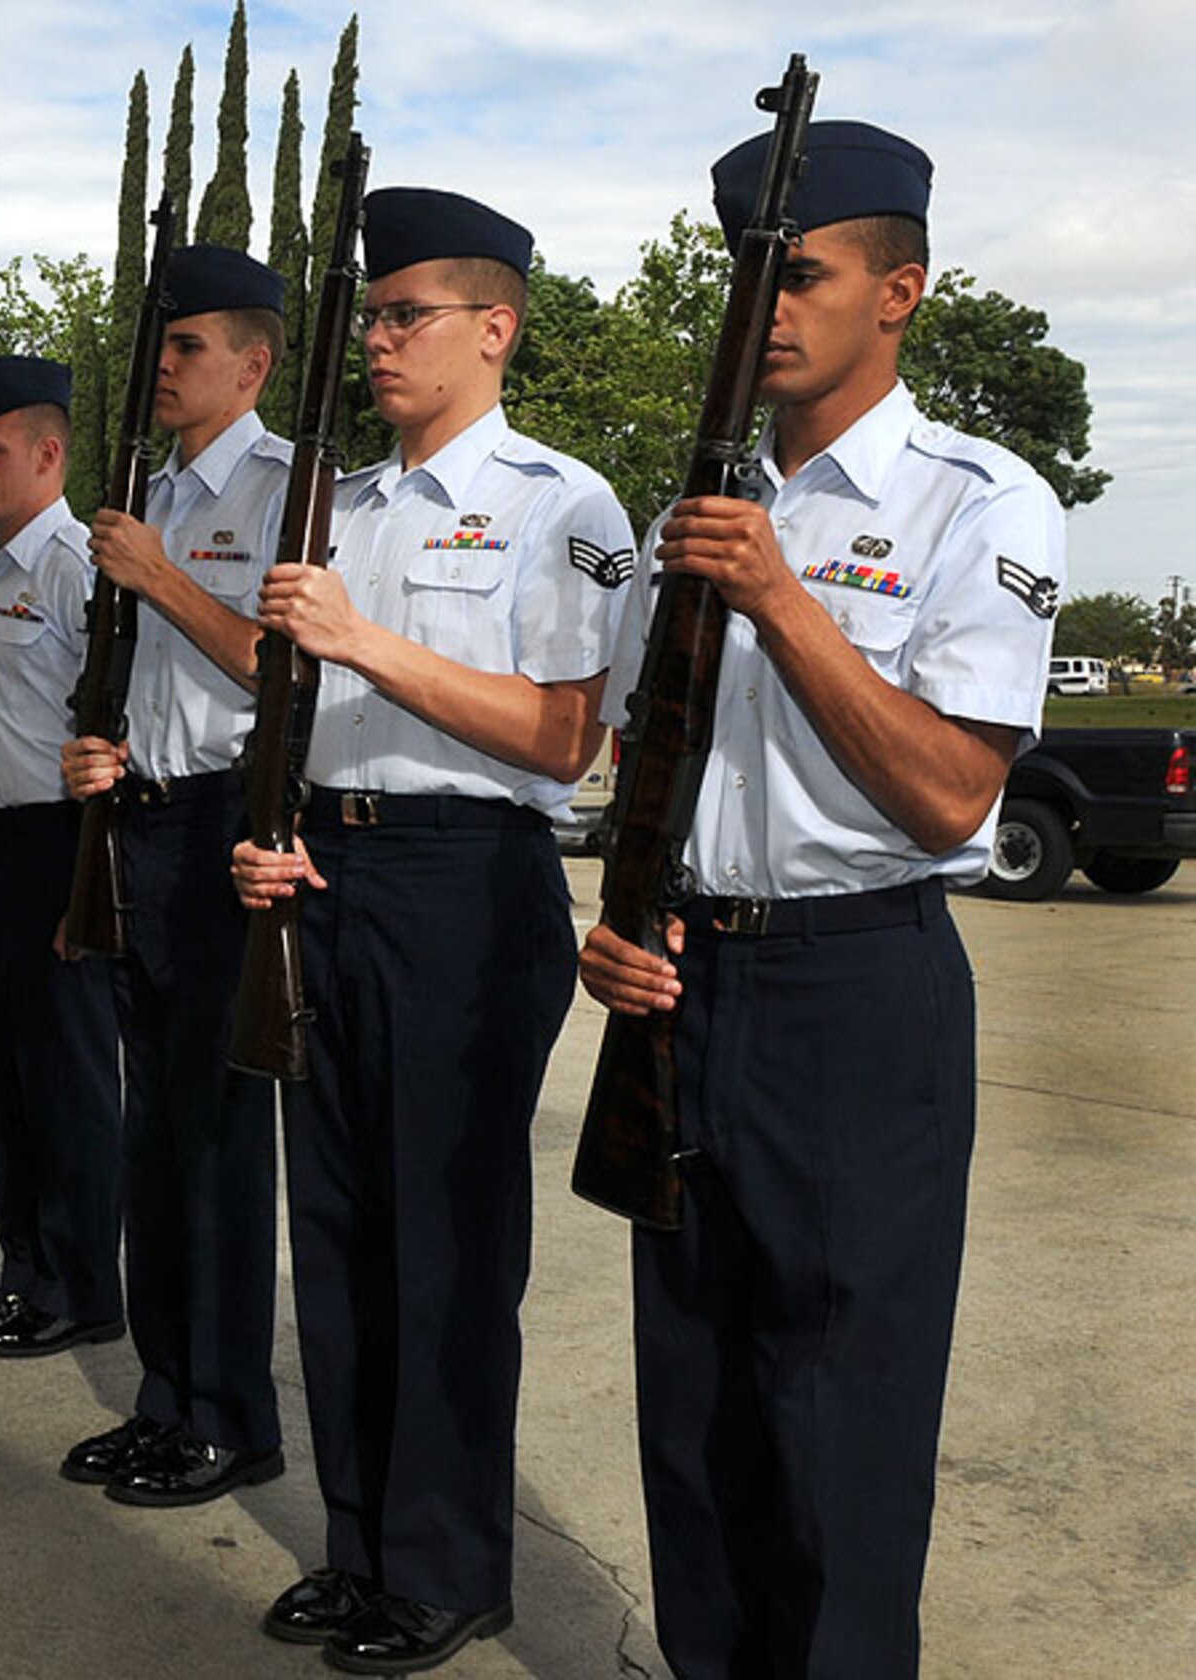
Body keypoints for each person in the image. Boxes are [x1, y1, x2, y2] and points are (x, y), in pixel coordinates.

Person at [577, 124, 1064, 1679]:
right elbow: (664, 770)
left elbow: (948, 793)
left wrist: (783, 596)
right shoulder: (700, 504)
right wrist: (625, 920)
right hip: (687, 989)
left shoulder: (977, 504)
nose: (762, 310)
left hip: (858, 997)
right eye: (744, 282)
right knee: (697, 1413)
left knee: (837, 1434)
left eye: (801, 275)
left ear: (900, 290)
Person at [231, 187, 634, 1673]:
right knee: (336, 1241)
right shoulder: (342, 499)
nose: (382, 341)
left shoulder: (560, 504)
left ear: (494, 327)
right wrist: (267, 835)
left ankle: (451, 1566)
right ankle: (362, 1549)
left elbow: (564, 740)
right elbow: (300, 715)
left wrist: (360, 640)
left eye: (408, 315)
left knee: (448, 1250)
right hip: (325, 880)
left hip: (467, 890)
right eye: (376, 315)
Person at [57, 245, 291, 1505]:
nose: (162, 364)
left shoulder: (279, 492)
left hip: (219, 829)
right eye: (158, 343)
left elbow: (278, 667)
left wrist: (155, 575)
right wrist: (102, 750)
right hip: (138, 821)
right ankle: (164, 1395)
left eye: (187, 344)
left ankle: (229, 1412)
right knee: (151, 1133)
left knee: (211, 1138)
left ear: (250, 367)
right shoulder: (143, 485)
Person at [0, 354, 124, 1357]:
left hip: (56, 846)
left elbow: (113, 723)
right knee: (0, 1077)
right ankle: (24, 1272)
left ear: (48, 454)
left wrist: (88, 878)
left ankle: (83, 1285)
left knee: (67, 1084)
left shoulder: (74, 565)